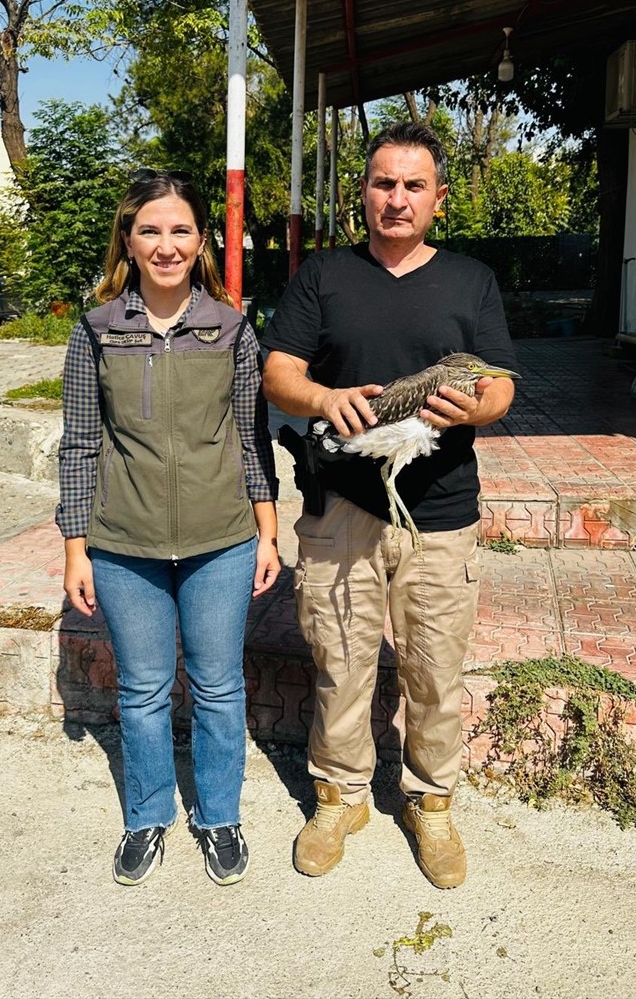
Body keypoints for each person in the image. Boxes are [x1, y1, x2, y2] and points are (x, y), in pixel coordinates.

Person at [262, 122, 517, 889]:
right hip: (340, 510)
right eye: (382, 183)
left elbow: (502, 385)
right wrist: (322, 398)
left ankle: (430, 805)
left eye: (412, 185)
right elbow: (278, 373)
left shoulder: (471, 280)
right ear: (363, 195)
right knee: (339, 664)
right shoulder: (323, 275)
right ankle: (338, 798)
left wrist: (474, 408)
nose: (396, 198)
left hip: (442, 514)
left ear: (438, 198)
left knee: (434, 672)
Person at [57, 169, 280, 888]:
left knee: (218, 687)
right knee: (143, 689)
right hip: (125, 546)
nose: (166, 244)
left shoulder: (231, 329)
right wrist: (76, 549)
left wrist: (267, 531)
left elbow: (250, 437)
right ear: (128, 239)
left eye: (180, 229)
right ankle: (147, 815)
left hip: (222, 541)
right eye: (149, 230)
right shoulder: (95, 332)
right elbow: (80, 444)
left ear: (201, 239)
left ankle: (218, 815)